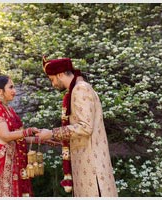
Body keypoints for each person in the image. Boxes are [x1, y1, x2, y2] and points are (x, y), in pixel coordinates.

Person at [36, 56, 118, 197]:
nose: (53, 84)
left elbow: (85, 127)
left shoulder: (80, 89)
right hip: (86, 162)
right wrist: (58, 138)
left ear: (60, 74)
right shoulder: (77, 88)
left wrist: (52, 133)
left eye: (52, 79)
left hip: (92, 165)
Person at [0, 75, 39, 197]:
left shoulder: (8, 109)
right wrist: (28, 131)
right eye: (11, 87)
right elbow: (5, 135)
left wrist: (41, 139)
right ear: (0, 91)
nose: (15, 91)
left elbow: (17, 136)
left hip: (13, 156)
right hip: (1, 157)